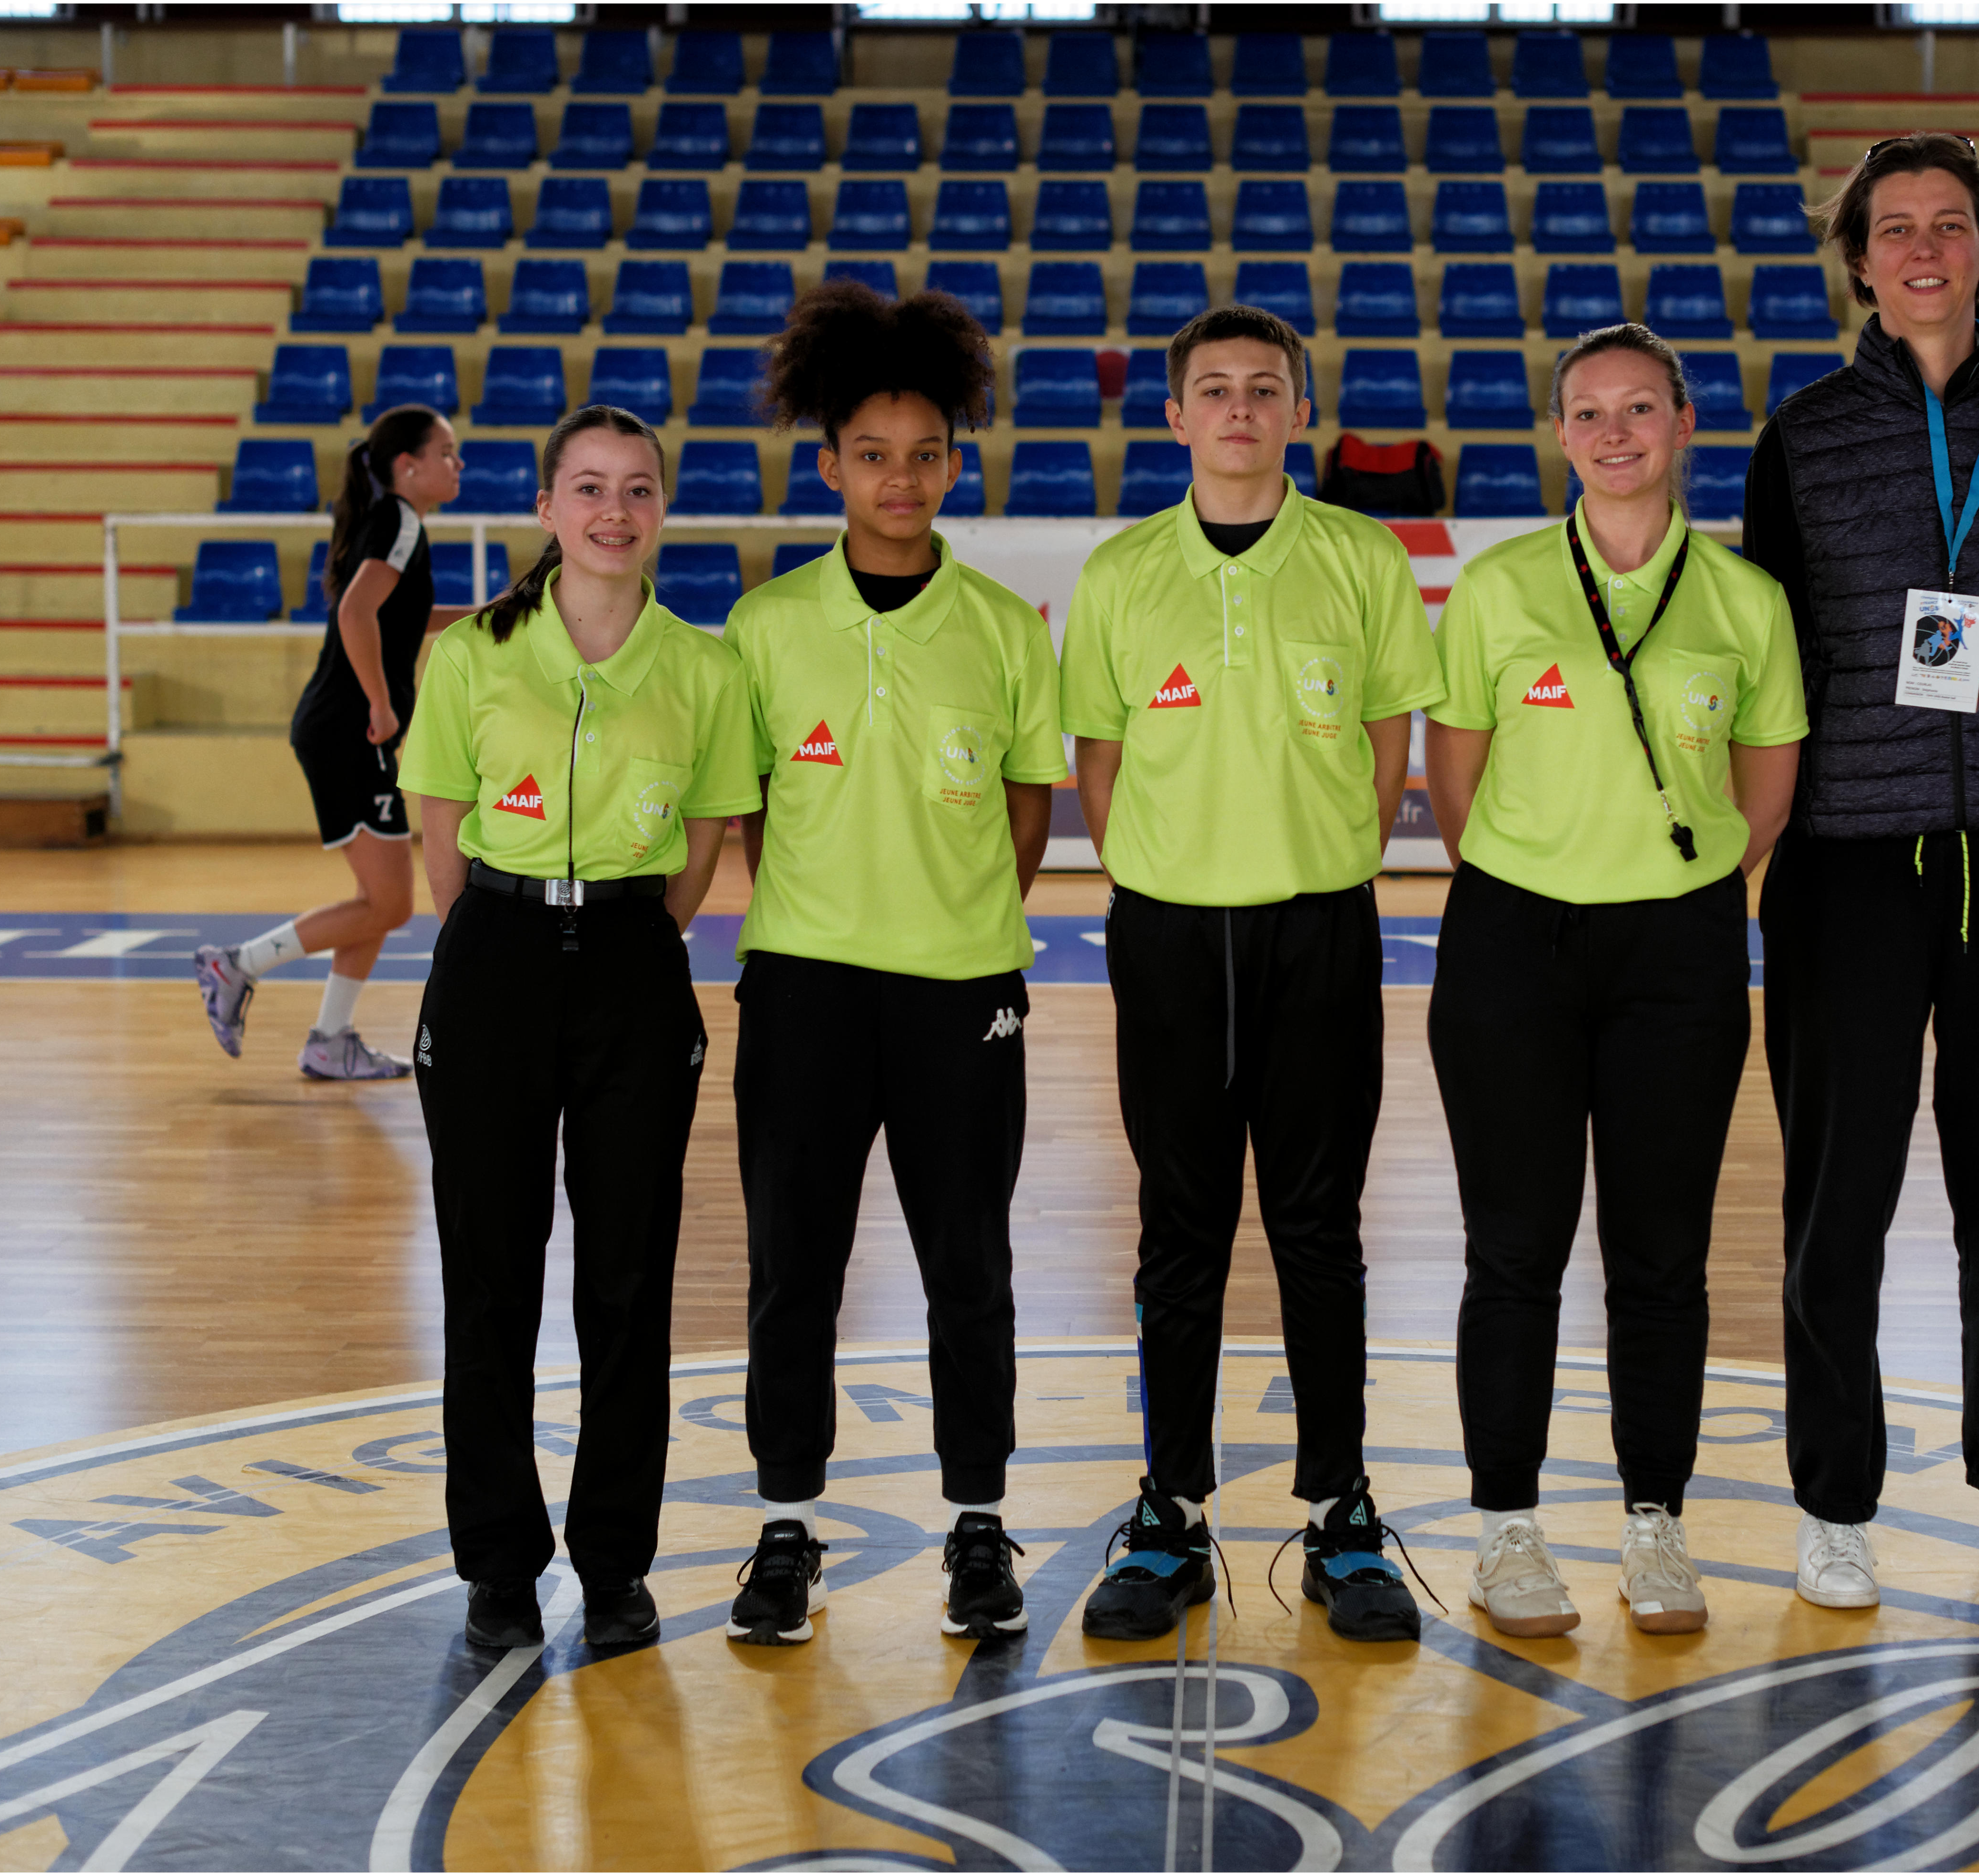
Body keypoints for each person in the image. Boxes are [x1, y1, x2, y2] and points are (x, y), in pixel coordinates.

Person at [1740, 132, 1979, 1613]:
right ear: (1858, 260)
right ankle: (1834, 1504)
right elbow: (1778, 653)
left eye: (1948, 225)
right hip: (1848, 864)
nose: (1922, 250)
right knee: (1837, 1202)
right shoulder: (1805, 434)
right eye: (1893, 228)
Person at [1060, 304, 1446, 1645]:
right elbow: (1099, 761)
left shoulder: (1360, 556)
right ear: (1174, 416)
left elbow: (1390, 736)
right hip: (1169, 934)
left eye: (1263, 388)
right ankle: (1170, 1509)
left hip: (1318, 927)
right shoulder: (1122, 570)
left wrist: (1318, 855)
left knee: (1318, 1226)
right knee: (1179, 1231)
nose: (1238, 408)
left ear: (1297, 410)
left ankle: (1340, 1508)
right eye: (1213, 389)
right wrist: (1170, 869)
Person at [1425, 326, 1804, 1639]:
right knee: (1512, 1251)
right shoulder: (1498, 587)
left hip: (1677, 951)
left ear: (1684, 424)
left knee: (1660, 1256)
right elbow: (1454, 782)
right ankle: (1506, 1529)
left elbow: (1764, 791)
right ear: (1559, 435)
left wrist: (1667, 883)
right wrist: (1548, 875)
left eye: (1639, 407)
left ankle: (1656, 1522)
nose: (1613, 432)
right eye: (1587, 412)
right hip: (1510, 943)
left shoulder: (1744, 599)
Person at [715, 283, 1064, 1648]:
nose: (900, 479)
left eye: (924, 454)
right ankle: (784, 1525)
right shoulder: (764, 625)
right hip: (803, 988)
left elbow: (1027, 817)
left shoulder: (1004, 626)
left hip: (961, 990)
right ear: (829, 466)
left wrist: (948, 921)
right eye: (873, 454)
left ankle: (977, 1523)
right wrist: (832, 913)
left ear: (953, 464)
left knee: (968, 1267)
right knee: (792, 1268)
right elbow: (751, 811)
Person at [395, 405, 757, 1651]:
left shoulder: (706, 670)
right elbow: (441, 836)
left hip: (631, 967)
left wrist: (617, 938)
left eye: (637, 488)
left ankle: (615, 1558)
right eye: (589, 487)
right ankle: (498, 1560)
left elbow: (701, 845)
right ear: (546, 507)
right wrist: (507, 939)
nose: (614, 511)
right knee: (489, 1273)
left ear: (662, 509)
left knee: (628, 1277)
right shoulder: (469, 656)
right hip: (491, 960)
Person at [194, 404, 469, 1078]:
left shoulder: (398, 523)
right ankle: (236, 965)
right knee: (391, 903)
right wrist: (379, 701)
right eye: (446, 452)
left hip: (343, 729)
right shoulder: (399, 521)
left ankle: (331, 1039)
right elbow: (356, 612)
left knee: (379, 901)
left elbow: (400, 616)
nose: (457, 464)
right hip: (348, 728)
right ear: (408, 466)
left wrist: (483, 614)